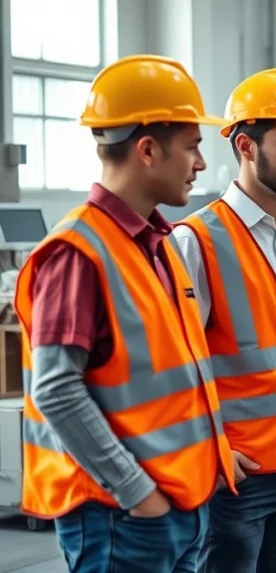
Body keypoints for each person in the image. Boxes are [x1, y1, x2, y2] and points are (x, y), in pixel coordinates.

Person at [14, 54, 235, 572]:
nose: (201, 163)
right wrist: (139, 494)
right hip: (123, 516)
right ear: (148, 150)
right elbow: (56, 389)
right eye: (193, 147)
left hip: (177, 502)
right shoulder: (78, 252)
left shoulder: (153, 245)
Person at [171, 68, 276, 573]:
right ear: (245, 145)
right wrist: (207, 447)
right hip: (237, 478)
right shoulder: (195, 240)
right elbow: (176, 365)